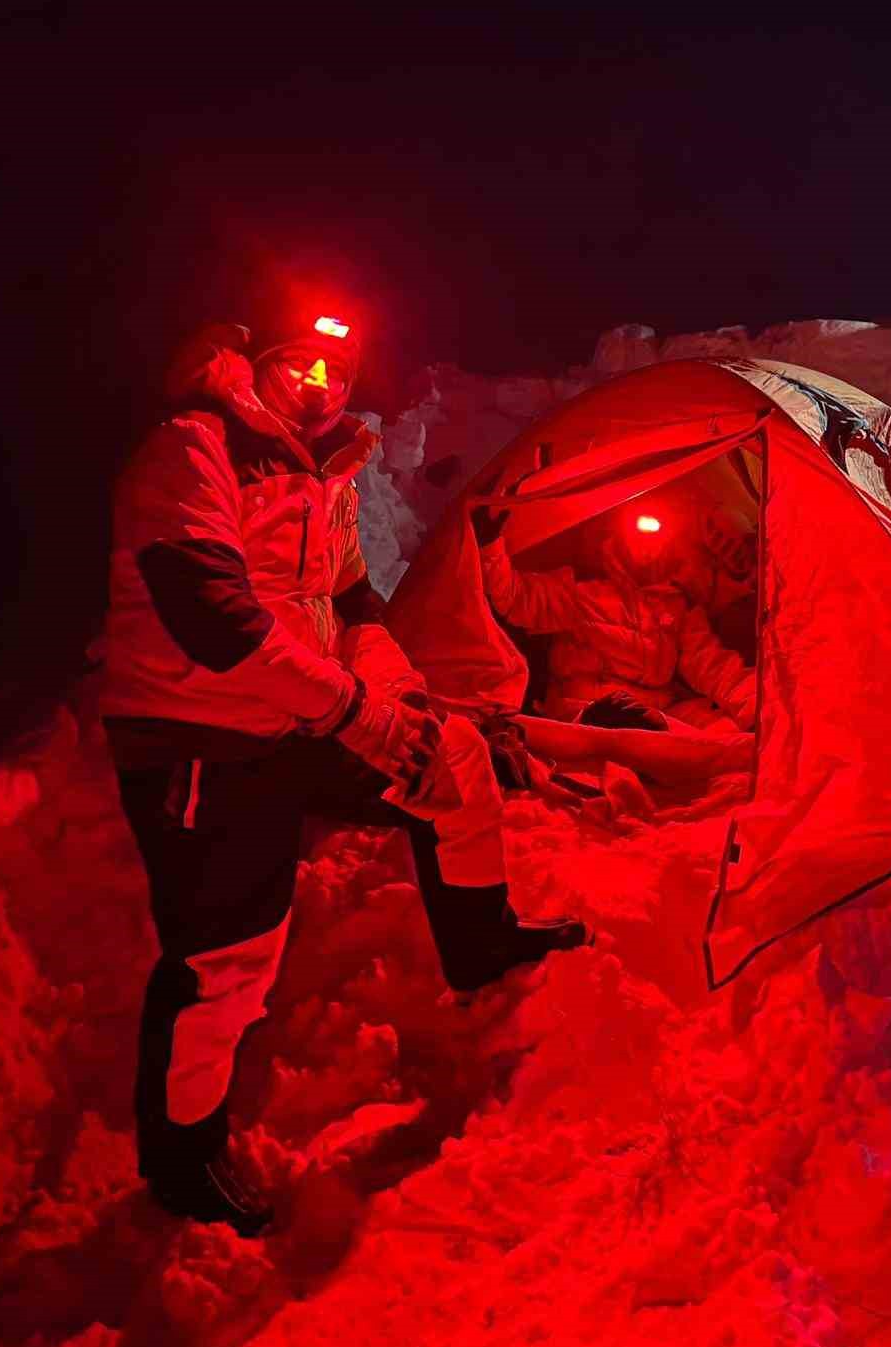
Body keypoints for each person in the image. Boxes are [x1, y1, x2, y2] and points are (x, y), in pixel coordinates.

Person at [103, 318, 587, 1236]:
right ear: (263, 366)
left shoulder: (326, 477)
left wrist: (395, 695)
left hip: (299, 717)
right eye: (301, 360)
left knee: (448, 755)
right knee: (226, 957)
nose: (319, 378)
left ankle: (480, 943)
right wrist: (353, 715)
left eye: (339, 365)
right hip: (198, 735)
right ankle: (182, 1158)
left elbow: (350, 600)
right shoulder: (192, 450)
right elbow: (214, 621)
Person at [471, 492, 757, 734]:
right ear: (621, 537)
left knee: (726, 733)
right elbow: (518, 598)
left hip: (655, 714)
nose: (649, 547)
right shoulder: (583, 592)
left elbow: (714, 667)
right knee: (627, 730)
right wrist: (490, 548)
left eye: (657, 537)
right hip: (587, 714)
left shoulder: (676, 605)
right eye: (640, 535)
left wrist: (760, 704)